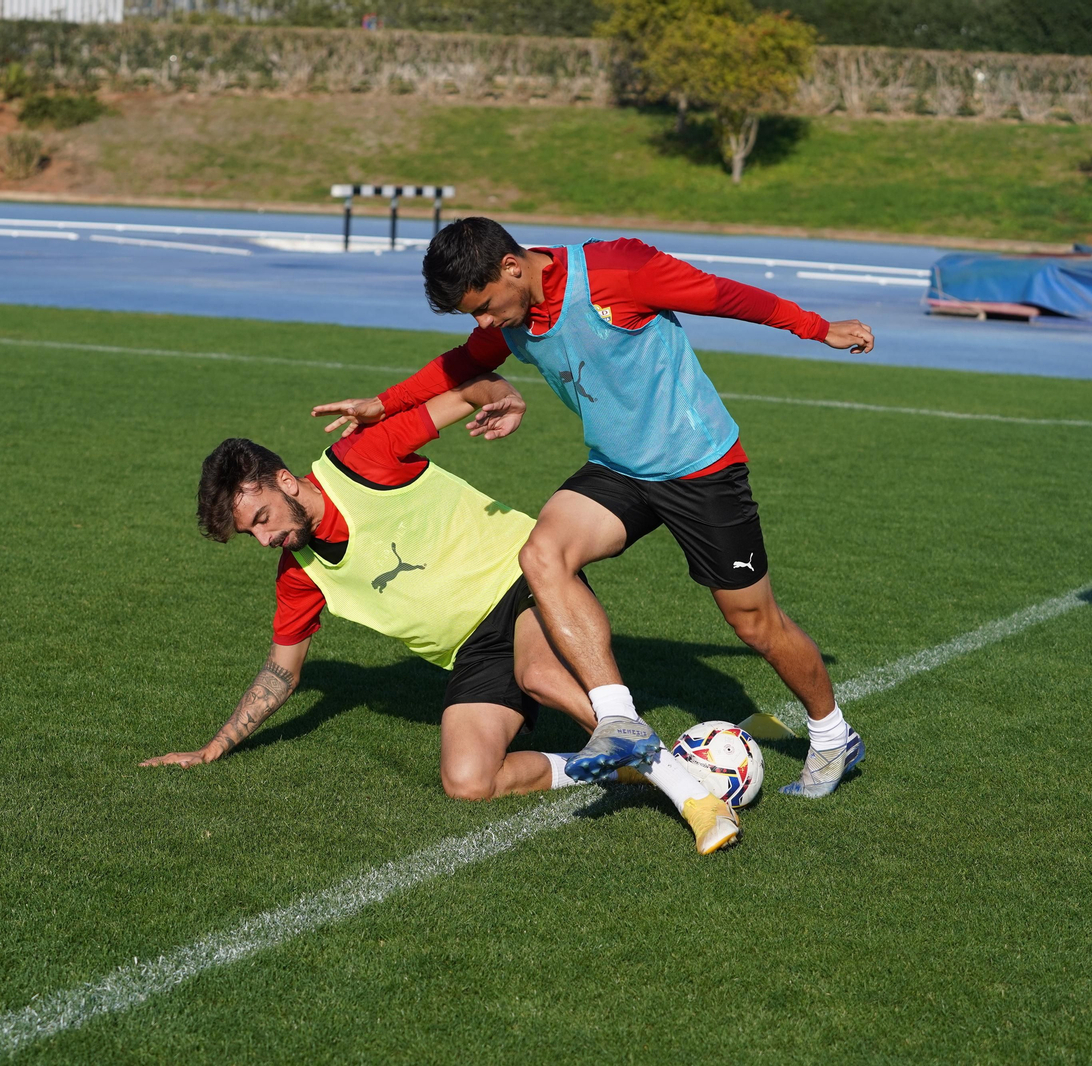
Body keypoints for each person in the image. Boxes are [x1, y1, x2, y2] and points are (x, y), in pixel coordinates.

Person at [312, 218, 872, 800]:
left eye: (482, 306)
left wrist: (818, 329)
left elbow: (721, 295)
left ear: (512, 267)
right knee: (541, 553)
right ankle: (618, 719)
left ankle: (832, 735)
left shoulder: (618, 269)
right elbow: (460, 364)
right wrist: (382, 403)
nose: (483, 322)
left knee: (755, 624)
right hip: (619, 469)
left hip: (700, 467)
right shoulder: (511, 318)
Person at [142, 371, 743, 855]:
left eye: (261, 519)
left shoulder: (362, 458)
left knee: (537, 673)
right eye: (250, 534)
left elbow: (465, 390)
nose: (264, 539)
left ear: (283, 481)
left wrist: (502, 396)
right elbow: (281, 673)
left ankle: (690, 791)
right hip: (474, 649)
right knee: (468, 782)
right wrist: (213, 747)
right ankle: (616, 767)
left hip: (523, 578)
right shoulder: (299, 575)